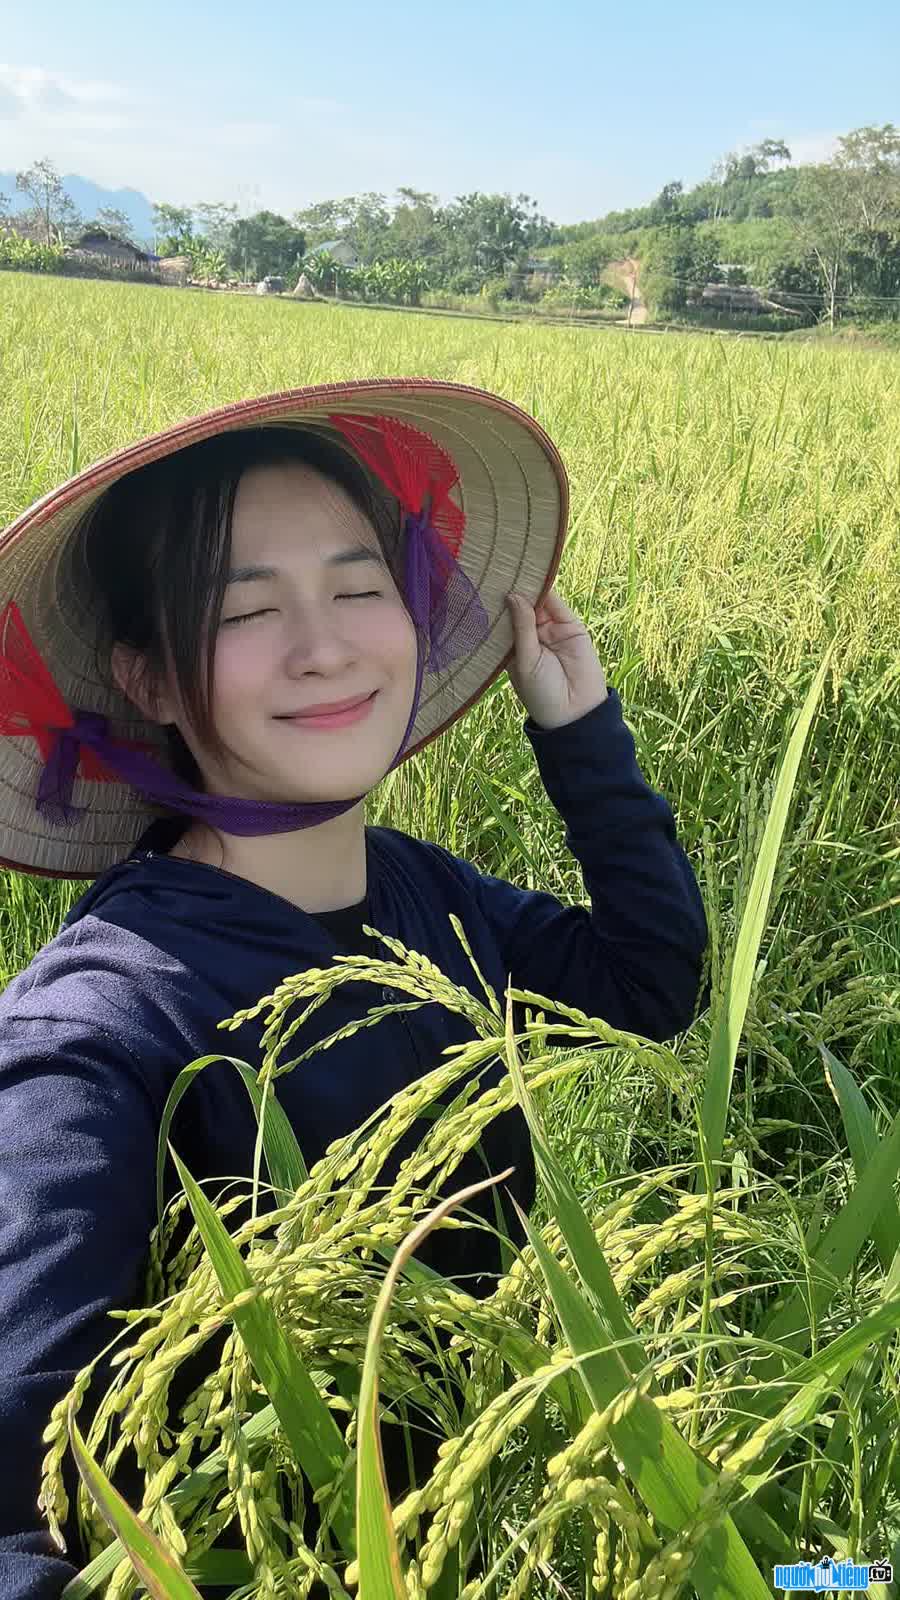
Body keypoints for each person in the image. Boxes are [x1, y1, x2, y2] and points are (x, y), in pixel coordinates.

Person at [0, 379, 710, 1598]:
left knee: (844, 1579)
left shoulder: (430, 896)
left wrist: (580, 730)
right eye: (246, 609)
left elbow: (649, 982)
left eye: (359, 586)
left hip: (473, 1529)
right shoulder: (100, 1033)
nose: (325, 643)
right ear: (150, 680)